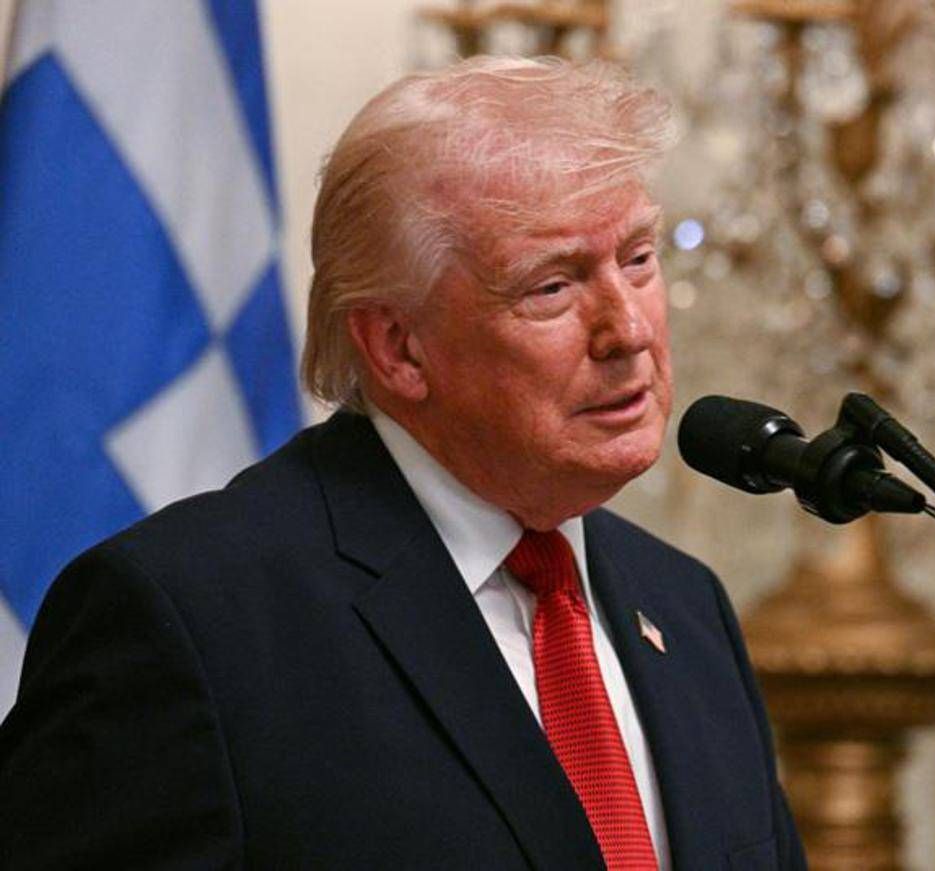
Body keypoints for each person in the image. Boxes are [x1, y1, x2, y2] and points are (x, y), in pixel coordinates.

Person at [0, 56, 806, 870]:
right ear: (398, 348)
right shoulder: (191, 622)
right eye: (552, 287)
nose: (628, 329)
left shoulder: (685, 606)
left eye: (637, 259)